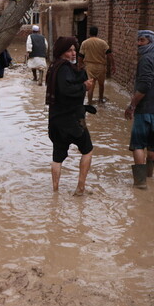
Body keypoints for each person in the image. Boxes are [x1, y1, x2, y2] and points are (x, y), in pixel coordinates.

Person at [45, 36, 95, 196]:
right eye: (69, 50)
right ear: (61, 52)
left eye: (75, 50)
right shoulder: (65, 68)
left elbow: (64, 86)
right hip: (73, 120)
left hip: (56, 120)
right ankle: (80, 188)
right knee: (87, 150)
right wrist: (84, 87)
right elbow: (67, 90)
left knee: (57, 157)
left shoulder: (54, 67)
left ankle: (55, 192)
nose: (73, 53)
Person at [124, 30, 154, 189]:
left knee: (138, 144)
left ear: (151, 41)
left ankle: (140, 182)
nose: (138, 43)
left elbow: (143, 86)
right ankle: (149, 175)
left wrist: (132, 106)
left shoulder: (146, 59)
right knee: (153, 144)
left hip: (145, 109)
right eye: (138, 40)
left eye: (142, 40)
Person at [78, 26, 114, 104]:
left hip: (90, 66)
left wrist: (79, 65)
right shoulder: (103, 42)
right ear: (97, 33)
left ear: (89, 33)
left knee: (91, 85)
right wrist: (113, 66)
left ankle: (90, 102)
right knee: (101, 84)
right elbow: (109, 54)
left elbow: (80, 55)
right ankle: (100, 100)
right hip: (101, 66)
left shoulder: (85, 43)